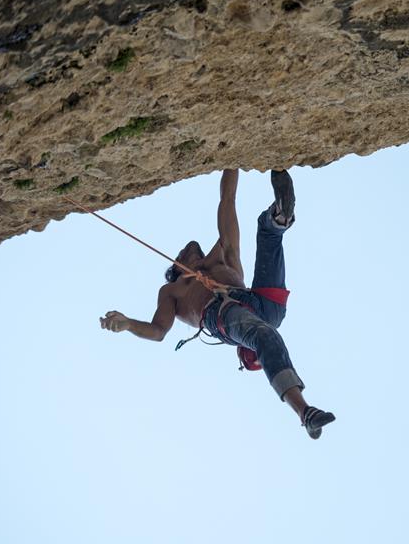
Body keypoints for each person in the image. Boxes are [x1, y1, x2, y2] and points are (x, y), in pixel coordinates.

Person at [99, 169, 336, 439]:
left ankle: (280, 216)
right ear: (177, 266)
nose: (191, 248)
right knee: (264, 335)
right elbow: (158, 330)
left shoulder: (222, 257)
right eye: (183, 253)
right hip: (224, 314)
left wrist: (231, 160)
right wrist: (128, 323)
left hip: (255, 302)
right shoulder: (173, 290)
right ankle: (305, 412)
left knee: (267, 230)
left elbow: (228, 199)